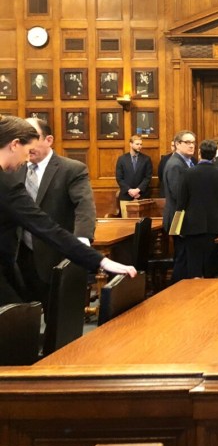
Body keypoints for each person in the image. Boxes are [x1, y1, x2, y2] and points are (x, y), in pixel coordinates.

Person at [0, 115, 135, 307]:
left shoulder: (70, 169)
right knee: (17, 326)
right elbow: (45, 226)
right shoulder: (7, 184)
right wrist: (101, 262)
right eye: (27, 151)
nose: (26, 158)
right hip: (12, 268)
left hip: (32, 264)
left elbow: (83, 208)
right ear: (14, 145)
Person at [13, 117, 97, 311]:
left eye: (31, 139)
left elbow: (84, 205)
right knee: (20, 319)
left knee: (58, 316)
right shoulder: (14, 168)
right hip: (19, 256)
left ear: (48, 140)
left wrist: (81, 241)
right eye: (22, 140)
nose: (27, 146)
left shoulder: (71, 169)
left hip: (55, 255)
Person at [175, 140, 218, 278]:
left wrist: (176, 227)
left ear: (199, 153)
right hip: (216, 228)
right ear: (215, 155)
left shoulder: (187, 173)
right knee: (213, 271)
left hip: (192, 228)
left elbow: (181, 203)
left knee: (194, 270)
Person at [162, 130, 196, 282]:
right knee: (182, 257)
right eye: (187, 142)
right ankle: (177, 289)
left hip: (183, 216)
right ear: (177, 144)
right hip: (179, 217)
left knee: (187, 256)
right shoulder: (175, 164)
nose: (191, 145)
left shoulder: (188, 162)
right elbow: (179, 194)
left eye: (193, 142)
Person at [115, 135, 153, 209]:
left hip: (141, 196)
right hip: (126, 196)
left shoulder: (146, 159)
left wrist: (138, 190)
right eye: (137, 144)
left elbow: (148, 177)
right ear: (131, 144)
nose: (139, 146)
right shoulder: (122, 159)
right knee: (126, 220)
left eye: (141, 144)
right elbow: (119, 178)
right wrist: (130, 190)